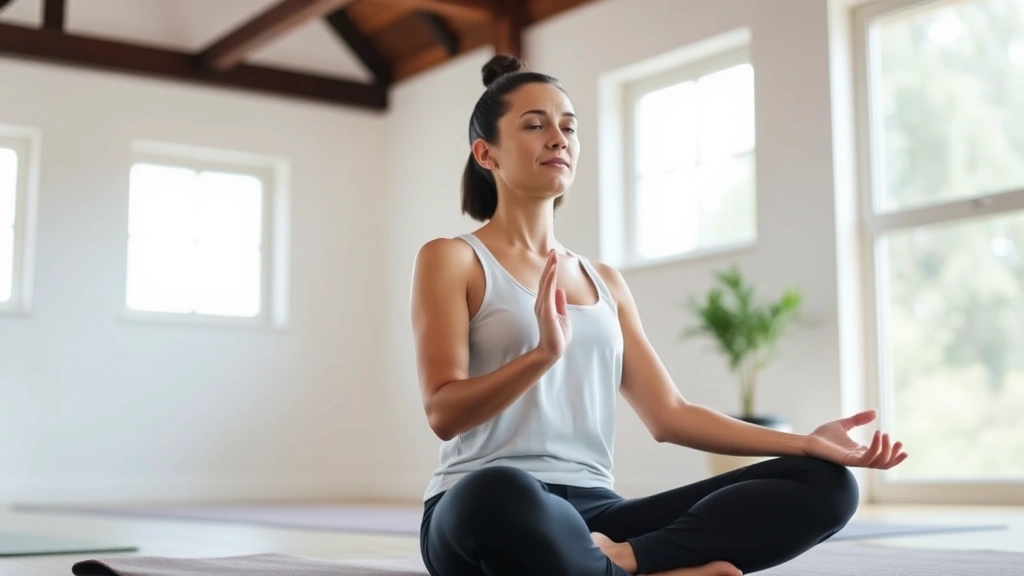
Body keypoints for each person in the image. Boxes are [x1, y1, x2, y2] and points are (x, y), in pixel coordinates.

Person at [409, 54, 908, 576]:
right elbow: (444, 414)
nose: (558, 138)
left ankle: (630, 561)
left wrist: (804, 442)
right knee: (497, 490)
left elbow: (670, 415)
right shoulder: (453, 258)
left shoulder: (605, 281)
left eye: (569, 127)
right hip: (483, 511)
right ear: (486, 154)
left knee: (824, 482)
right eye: (535, 125)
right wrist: (543, 354)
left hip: (596, 518)